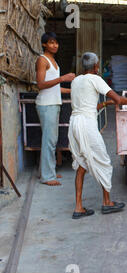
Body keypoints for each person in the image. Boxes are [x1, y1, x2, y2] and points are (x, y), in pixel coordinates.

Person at [69, 52, 127, 219]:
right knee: (105, 163)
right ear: (96, 67)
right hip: (87, 125)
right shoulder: (96, 79)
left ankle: (78, 207)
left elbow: (88, 104)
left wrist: (105, 103)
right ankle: (107, 203)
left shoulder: (76, 81)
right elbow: (119, 100)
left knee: (81, 164)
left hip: (74, 124)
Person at [35, 32, 76, 186]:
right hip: (46, 104)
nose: (55, 45)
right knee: (49, 141)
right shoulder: (42, 60)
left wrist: (72, 90)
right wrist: (63, 78)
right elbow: (40, 84)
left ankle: (47, 171)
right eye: (51, 42)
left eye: (56, 43)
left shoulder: (53, 61)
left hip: (53, 103)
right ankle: (47, 176)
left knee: (51, 140)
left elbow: (55, 88)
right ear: (44, 44)